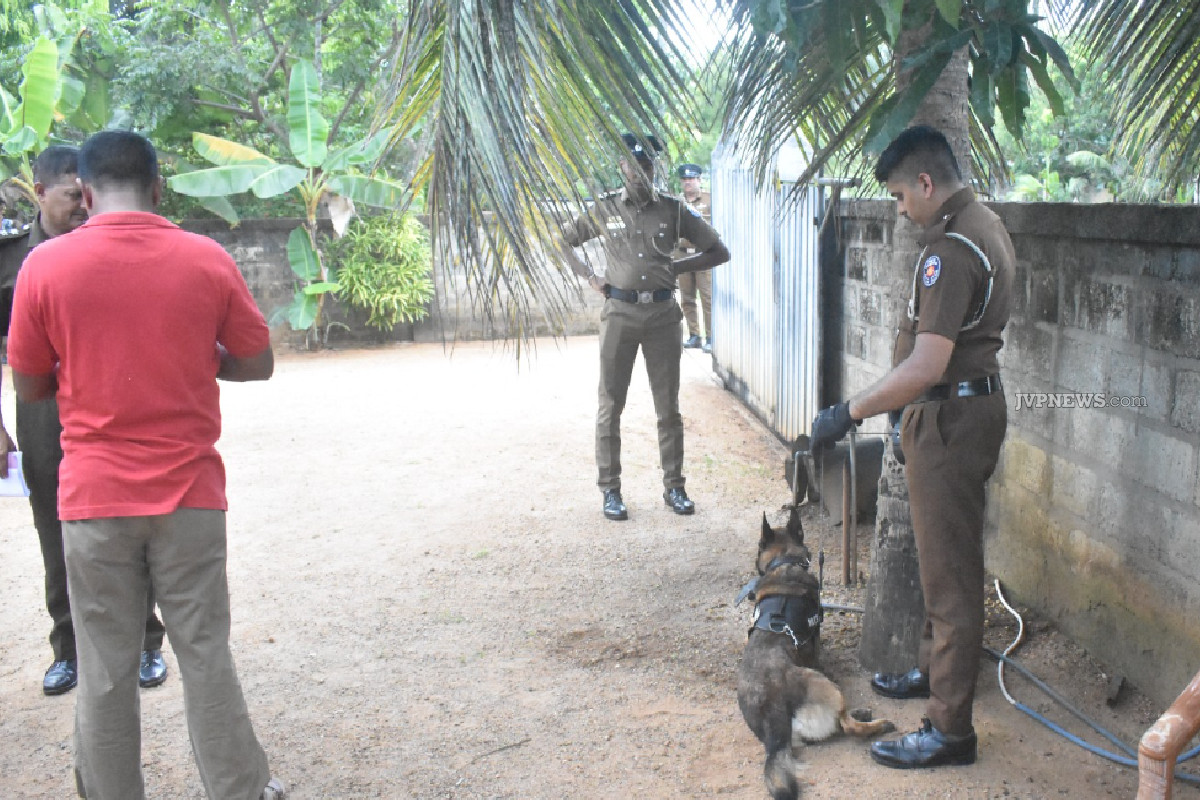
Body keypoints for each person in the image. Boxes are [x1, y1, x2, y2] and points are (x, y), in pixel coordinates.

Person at [7, 130, 284, 800]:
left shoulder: (44, 268)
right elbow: (258, 361)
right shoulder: (205, 258)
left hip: (94, 499)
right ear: (159, 188)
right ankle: (240, 790)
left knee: (102, 665)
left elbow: (31, 385)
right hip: (190, 495)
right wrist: (198, 360)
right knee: (204, 651)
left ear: (88, 191)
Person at [807, 125, 1014, 769]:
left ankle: (950, 730)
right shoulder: (984, 223)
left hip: (950, 419)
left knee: (951, 581)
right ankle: (932, 672)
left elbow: (927, 363)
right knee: (939, 559)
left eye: (900, 195)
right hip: (962, 410)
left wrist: (850, 411)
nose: (898, 209)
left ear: (926, 183)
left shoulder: (949, 250)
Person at [0, 145, 168, 697]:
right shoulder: (9, 261)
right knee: (55, 527)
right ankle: (68, 650)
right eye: (73, 196)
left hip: (111, 405)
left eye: (86, 195)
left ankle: (146, 642)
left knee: (128, 518)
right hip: (43, 410)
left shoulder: (112, 247)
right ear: (41, 194)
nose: (82, 205)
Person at [559, 133, 730, 521]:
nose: (639, 173)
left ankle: (674, 487)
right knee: (610, 405)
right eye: (631, 166)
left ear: (655, 168)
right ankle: (611, 491)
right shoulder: (605, 209)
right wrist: (590, 276)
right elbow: (564, 241)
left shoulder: (673, 209)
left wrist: (677, 268)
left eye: (646, 166)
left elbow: (719, 250)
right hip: (619, 313)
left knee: (667, 407)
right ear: (621, 167)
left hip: (662, 318)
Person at [673, 163, 714, 353]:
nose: (688, 182)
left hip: (703, 254)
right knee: (687, 297)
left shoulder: (709, 199)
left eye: (692, 179)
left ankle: (711, 336)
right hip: (682, 255)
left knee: (707, 297)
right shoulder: (676, 202)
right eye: (685, 179)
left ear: (699, 180)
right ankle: (694, 335)